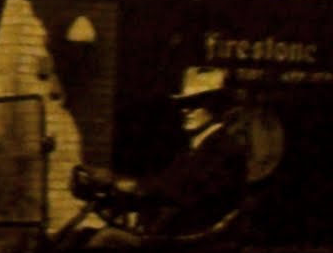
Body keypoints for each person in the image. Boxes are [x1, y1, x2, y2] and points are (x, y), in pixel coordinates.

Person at [74, 66, 251, 240]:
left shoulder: (226, 149)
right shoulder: (190, 149)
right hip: (170, 238)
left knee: (105, 240)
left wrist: (124, 184)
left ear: (215, 106)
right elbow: (163, 189)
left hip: (192, 245)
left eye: (195, 104)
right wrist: (109, 196)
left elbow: (182, 193)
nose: (185, 111)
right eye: (183, 104)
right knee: (81, 236)